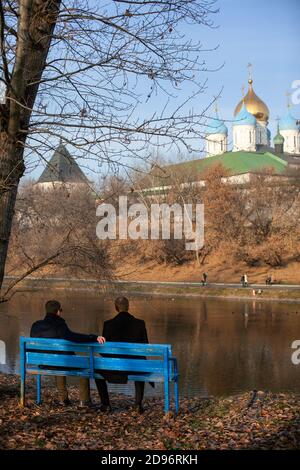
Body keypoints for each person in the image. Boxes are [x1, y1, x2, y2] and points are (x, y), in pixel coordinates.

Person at [30, 300, 105, 407]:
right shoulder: (60, 325)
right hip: (60, 362)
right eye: (60, 310)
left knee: (58, 362)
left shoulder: (36, 325)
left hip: (43, 362)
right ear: (58, 312)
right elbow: (73, 337)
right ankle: (84, 401)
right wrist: (93, 337)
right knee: (83, 366)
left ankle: (63, 399)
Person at [96, 296, 150, 414]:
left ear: (116, 308)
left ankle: (105, 404)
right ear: (128, 307)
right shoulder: (140, 323)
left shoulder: (108, 324)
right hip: (135, 367)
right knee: (140, 364)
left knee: (96, 370)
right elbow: (145, 347)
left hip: (114, 367)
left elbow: (103, 350)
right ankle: (137, 405)